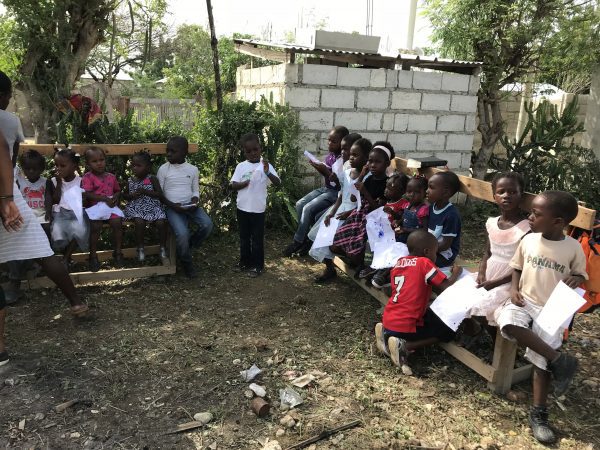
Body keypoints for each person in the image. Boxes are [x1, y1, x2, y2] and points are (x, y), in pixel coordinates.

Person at [495, 190, 587, 444]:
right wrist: (513, 289)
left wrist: (577, 277)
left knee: (541, 361)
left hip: (553, 308)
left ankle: (539, 413)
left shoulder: (573, 247)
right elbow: (517, 267)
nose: (530, 217)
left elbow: (581, 275)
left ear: (558, 221)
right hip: (525, 299)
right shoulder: (529, 240)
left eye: (536, 214)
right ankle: (560, 360)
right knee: (509, 322)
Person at [374, 230, 461, 368]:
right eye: (435, 252)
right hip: (406, 325)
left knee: (426, 313)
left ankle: (386, 334)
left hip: (390, 317)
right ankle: (405, 346)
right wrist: (456, 273)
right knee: (447, 331)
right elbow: (445, 287)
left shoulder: (399, 262)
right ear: (427, 251)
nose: (435, 256)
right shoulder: (424, 263)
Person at [470, 172, 530, 324]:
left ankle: (489, 335)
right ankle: (473, 330)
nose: (506, 196)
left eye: (512, 192)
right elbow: (488, 252)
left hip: (509, 280)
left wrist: (495, 283)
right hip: (488, 273)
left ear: (521, 195)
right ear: (494, 196)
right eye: (501, 192)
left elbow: (523, 266)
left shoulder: (526, 229)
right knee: (461, 296)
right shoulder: (491, 223)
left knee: (485, 306)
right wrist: (482, 271)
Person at [283, 125, 349, 256]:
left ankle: (298, 241)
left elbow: (339, 183)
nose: (329, 143)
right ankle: (306, 237)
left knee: (308, 208)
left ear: (343, 143)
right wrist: (319, 168)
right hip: (326, 189)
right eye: (329, 140)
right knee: (300, 204)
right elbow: (327, 177)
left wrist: (325, 171)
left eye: (334, 141)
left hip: (336, 193)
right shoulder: (330, 157)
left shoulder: (344, 161)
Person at [309, 134, 366, 283]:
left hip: (354, 213)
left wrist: (363, 174)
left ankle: (355, 262)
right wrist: (331, 213)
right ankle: (329, 268)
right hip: (340, 209)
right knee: (323, 234)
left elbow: (356, 199)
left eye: (353, 154)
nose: (347, 156)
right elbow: (341, 195)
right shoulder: (346, 171)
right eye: (346, 151)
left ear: (366, 158)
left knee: (334, 240)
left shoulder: (366, 177)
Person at [330, 141, 394, 273]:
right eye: (370, 161)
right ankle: (355, 259)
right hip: (359, 215)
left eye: (377, 162)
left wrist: (365, 191)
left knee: (356, 249)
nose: (373, 165)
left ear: (387, 164)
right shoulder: (369, 179)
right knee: (335, 246)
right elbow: (354, 198)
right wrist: (362, 176)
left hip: (374, 220)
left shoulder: (387, 183)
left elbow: (378, 209)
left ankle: (361, 263)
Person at [158, 136, 213, 278]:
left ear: (184, 153)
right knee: (182, 234)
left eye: (173, 151)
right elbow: (160, 195)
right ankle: (187, 262)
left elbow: (195, 191)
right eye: (167, 151)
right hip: (172, 208)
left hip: (190, 206)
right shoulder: (164, 169)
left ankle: (188, 247)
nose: (169, 154)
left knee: (207, 225)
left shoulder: (192, 170)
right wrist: (173, 206)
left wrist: (195, 202)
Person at [230, 133, 281, 277]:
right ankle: (244, 262)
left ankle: (258, 266)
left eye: (255, 149)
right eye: (248, 151)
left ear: (260, 148)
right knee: (244, 238)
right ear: (244, 152)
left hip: (258, 210)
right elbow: (233, 185)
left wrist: (268, 173)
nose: (253, 153)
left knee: (257, 239)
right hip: (242, 208)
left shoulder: (266, 166)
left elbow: (278, 183)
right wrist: (243, 184)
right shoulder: (241, 166)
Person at [5, 150, 53, 301]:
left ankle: (15, 280)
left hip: (40, 216)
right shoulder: (19, 182)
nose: (31, 172)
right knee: (15, 238)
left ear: (41, 169)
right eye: (28, 169)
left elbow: (49, 199)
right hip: (25, 215)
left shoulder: (46, 182)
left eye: (35, 169)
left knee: (43, 234)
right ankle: (21, 273)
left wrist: (49, 212)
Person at [372, 176, 430, 289]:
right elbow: (403, 218)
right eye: (409, 192)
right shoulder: (408, 205)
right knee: (389, 250)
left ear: (424, 193)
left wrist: (405, 229)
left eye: (417, 192)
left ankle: (386, 276)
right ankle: (378, 269)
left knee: (400, 256)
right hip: (402, 236)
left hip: (413, 241)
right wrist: (397, 222)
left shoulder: (423, 210)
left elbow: (424, 230)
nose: (412, 195)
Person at [359, 172, 409, 280]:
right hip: (383, 231)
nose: (386, 190)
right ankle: (370, 266)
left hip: (393, 233)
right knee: (370, 242)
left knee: (381, 245)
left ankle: (378, 268)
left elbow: (402, 218)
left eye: (390, 189)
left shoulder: (403, 203)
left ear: (402, 191)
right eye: (386, 187)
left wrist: (393, 213)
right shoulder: (387, 201)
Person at [81, 147, 123, 272]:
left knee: (117, 223)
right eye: (95, 161)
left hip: (110, 206)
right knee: (96, 227)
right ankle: (93, 255)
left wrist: (115, 197)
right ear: (88, 164)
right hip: (95, 207)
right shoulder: (88, 177)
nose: (99, 163)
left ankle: (118, 252)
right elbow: (87, 194)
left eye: (101, 160)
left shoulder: (111, 177)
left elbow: (117, 191)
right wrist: (104, 199)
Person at [123, 151, 168, 262]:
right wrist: (131, 196)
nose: (135, 168)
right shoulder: (130, 180)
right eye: (133, 165)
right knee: (139, 221)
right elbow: (125, 196)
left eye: (138, 165)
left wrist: (145, 192)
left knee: (161, 222)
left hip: (153, 206)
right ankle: (141, 248)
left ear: (148, 167)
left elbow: (159, 194)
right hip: (137, 207)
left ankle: (162, 247)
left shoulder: (152, 178)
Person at [51, 149, 89, 268]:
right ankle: (66, 257)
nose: (58, 168)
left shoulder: (81, 181)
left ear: (74, 167)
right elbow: (55, 200)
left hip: (76, 213)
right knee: (58, 233)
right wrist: (59, 183)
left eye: (62, 165)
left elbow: (84, 200)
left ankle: (66, 258)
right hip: (59, 213)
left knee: (80, 230)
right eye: (56, 165)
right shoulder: (54, 181)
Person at [426, 171, 462, 270]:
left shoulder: (451, 215)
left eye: (431, 187)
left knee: (421, 263)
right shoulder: (431, 207)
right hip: (430, 248)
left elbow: (445, 245)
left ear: (445, 192)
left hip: (444, 254)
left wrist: (427, 251)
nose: (427, 191)